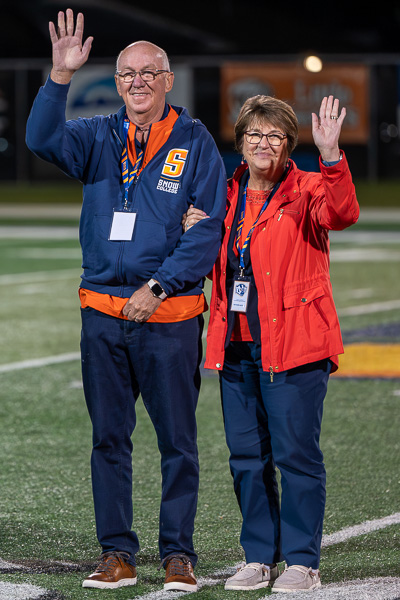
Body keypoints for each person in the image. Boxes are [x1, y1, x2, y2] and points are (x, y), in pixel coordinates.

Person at [26, 9, 227, 591]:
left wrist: (158, 285)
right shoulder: (97, 135)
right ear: (116, 83)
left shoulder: (195, 142)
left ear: (168, 80)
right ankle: (116, 553)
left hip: (167, 317)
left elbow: (206, 230)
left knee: (177, 444)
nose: (138, 82)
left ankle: (178, 555)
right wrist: (60, 77)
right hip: (102, 319)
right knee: (108, 440)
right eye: (127, 74)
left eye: (150, 72)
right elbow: (42, 138)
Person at [184, 94, 359, 592]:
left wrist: (331, 157)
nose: (264, 144)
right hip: (236, 344)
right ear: (240, 144)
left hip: (296, 346)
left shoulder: (307, 188)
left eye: (276, 136)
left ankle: (303, 562)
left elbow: (343, 212)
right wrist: (190, 227)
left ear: (288, 146)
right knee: (245, 457)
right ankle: (259, 556)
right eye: (255, 135)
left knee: (296, 456)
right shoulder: (223, 194)